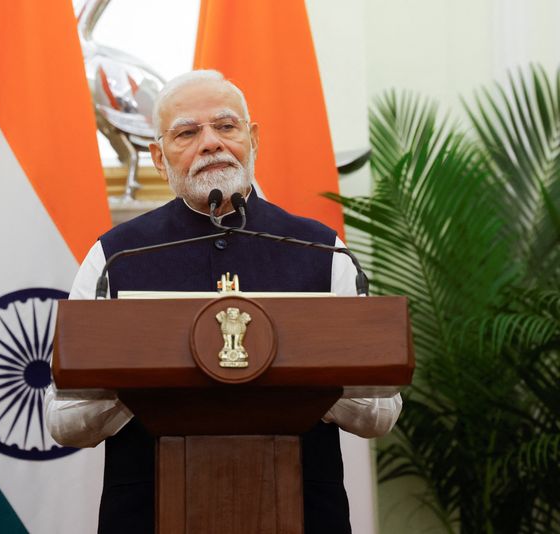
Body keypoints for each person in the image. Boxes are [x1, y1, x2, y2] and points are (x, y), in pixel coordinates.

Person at [46, 70, 402, 533]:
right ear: (158, 156)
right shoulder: (115, 258)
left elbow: (382, 411)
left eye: (226, 126)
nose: (210, 142)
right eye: (188, 133)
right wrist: (144, 385)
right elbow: (63, 420)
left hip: (303, 512)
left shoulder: (321, 250)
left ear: (252, 138)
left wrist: (298, 378)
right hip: (147, 514)